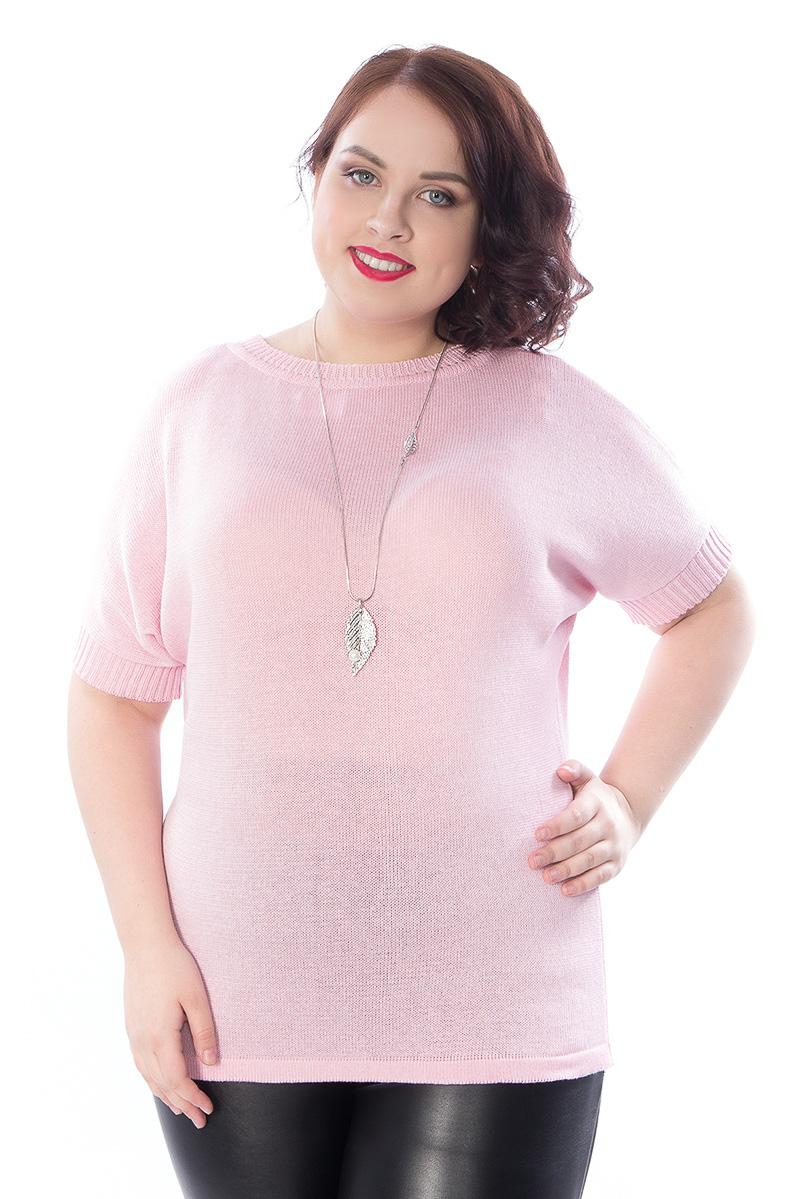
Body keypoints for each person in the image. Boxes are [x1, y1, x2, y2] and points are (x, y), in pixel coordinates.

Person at [66, 44, 755, 1199]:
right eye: (360, 173)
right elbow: (111, 697)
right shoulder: (202, 409)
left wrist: (627, 798)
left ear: (488, 226)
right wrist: (145, 947)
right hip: (234, 989)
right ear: (315, 176)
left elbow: (710, 606)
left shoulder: (546, 413)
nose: (387, 218)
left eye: (439, 194)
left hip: (494, 983)